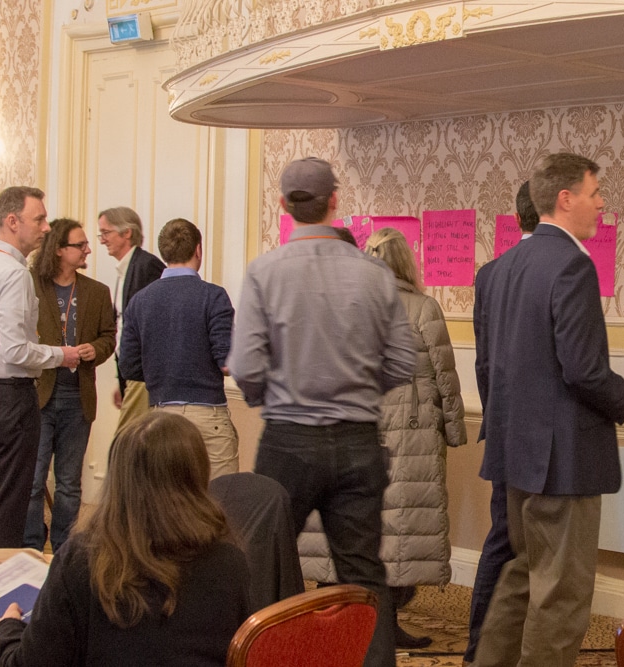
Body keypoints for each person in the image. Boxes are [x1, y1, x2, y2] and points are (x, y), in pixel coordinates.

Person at [228, 157, 417, 667]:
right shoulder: (374, 274)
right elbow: (403, 360)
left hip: (287, 440)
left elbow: (244, 363)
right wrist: (356, 389)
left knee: (265, 566)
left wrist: (271, 397)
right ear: (335, 202)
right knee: (363, 577)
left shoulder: (264, 272)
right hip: (359, 441)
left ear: (284, 206)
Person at [472, 153, 624, 667]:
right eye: (595, 193)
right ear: (565, 199)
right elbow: (583, 370)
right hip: (562, 460)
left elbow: (492, 366)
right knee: (562, 594)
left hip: (514, 452)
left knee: (521, 575)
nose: (602, 204)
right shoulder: (572, 264)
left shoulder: (502, 267)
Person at [298, 227, 467, 650]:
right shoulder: (423, 309)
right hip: (410, 440)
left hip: (348, 427)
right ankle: (384, 626)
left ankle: (334, 622)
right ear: (407, 263)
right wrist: (455, 428)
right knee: (397, 534)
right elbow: (446, 377)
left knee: (348, 524)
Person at [0, 411, 251, 666]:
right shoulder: (230, 562)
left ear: (118, 479)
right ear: (197, 473)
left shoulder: (83, 560)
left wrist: (7, 629)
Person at [0, 186, 81, 548]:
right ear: (12, 222)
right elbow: (15, 351)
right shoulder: (13, 274)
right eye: (39, 219)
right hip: (9, 398)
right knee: (7, 508)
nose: (46, 228)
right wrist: (62, 355)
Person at [463, 179, 539, 666]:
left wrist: (495, 416)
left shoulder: (490, 273)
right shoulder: (567, 268)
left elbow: (484, 364)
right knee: (512, 546)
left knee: (501, 542)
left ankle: (478, 651)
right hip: (540, 439)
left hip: (503, 427)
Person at [119, 218, 239, 479]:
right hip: (208, 416)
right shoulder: (213, 296)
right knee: (221, 501)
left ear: (164, 253)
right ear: (198, 250)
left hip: (161, 417)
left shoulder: (139, 301)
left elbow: (128, 365)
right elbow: (227, 362)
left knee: (170, 504)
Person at [24, 219, 116, 553]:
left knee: (69, 484)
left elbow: (108, 337)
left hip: (78, 398)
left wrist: (97, 349)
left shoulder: (96, 291)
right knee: (33, 481)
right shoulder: (30, 284)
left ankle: (63, 548)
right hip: (38, 396)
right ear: (60, 250)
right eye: (81, 245)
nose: (88, 249)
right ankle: (31, 547)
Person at [97, 206, 164, 430]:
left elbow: (152, 326)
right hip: (131, 375)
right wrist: (121, 379)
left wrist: (133, 376)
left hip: (143, 376)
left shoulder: (147, 266)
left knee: (126, 443)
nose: (102, 240)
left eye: (106, 233)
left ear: (126, 233)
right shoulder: (126, 268)